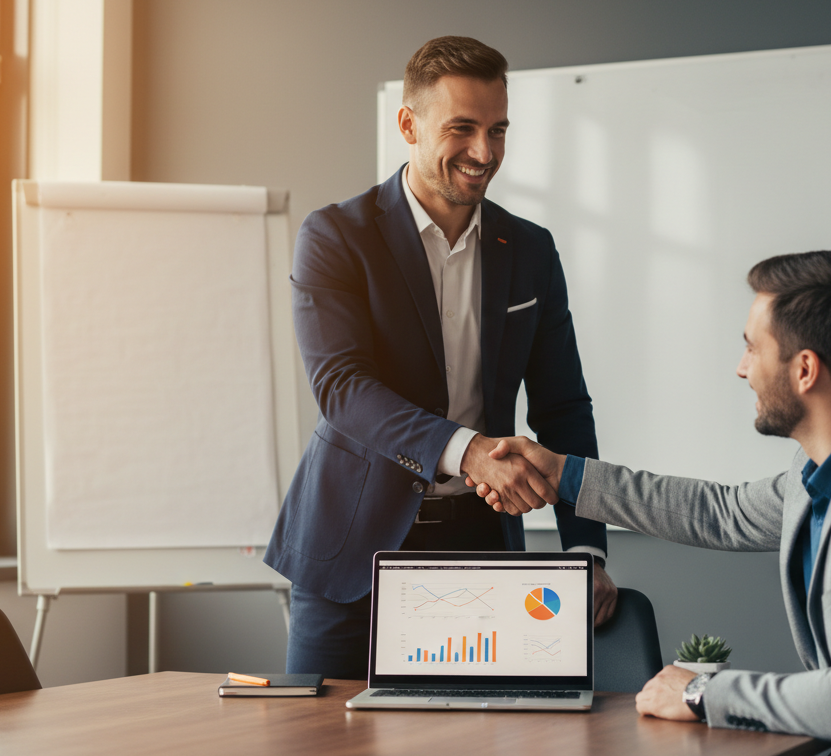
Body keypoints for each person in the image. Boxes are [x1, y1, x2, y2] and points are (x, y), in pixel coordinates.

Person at [469, 251, 831, 755]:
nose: (741, 368)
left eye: (752, 348)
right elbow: (719, 512)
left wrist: (700, 692)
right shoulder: (825, 466)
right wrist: (564, 473)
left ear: (804, 370)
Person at [264, 36, 617, 680]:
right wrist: (469, 449)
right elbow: (342, 388)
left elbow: (564, 405)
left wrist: (586, 548)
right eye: (462, 128)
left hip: (479, 549)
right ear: (409, 124)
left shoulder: (531, 250)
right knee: (318, 743)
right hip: (351, 546)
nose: (485, 154)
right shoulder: (336, 236)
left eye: (498, 130)